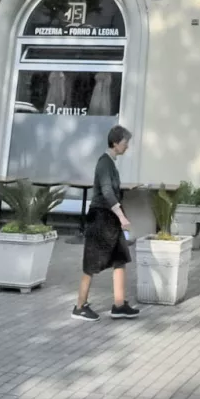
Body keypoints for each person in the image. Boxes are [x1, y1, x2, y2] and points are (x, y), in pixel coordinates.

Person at [73, 125, 140, 320]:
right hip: (100, 218)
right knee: (91, 263)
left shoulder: (111, 163)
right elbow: (107, 192)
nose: (127, 147)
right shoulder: (104, 163)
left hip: (110, 219)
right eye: (125, 143)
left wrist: (118, 218)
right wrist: (121, 216)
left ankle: (119, 305)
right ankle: (79, 306)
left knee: (120, 258)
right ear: (116, 142)